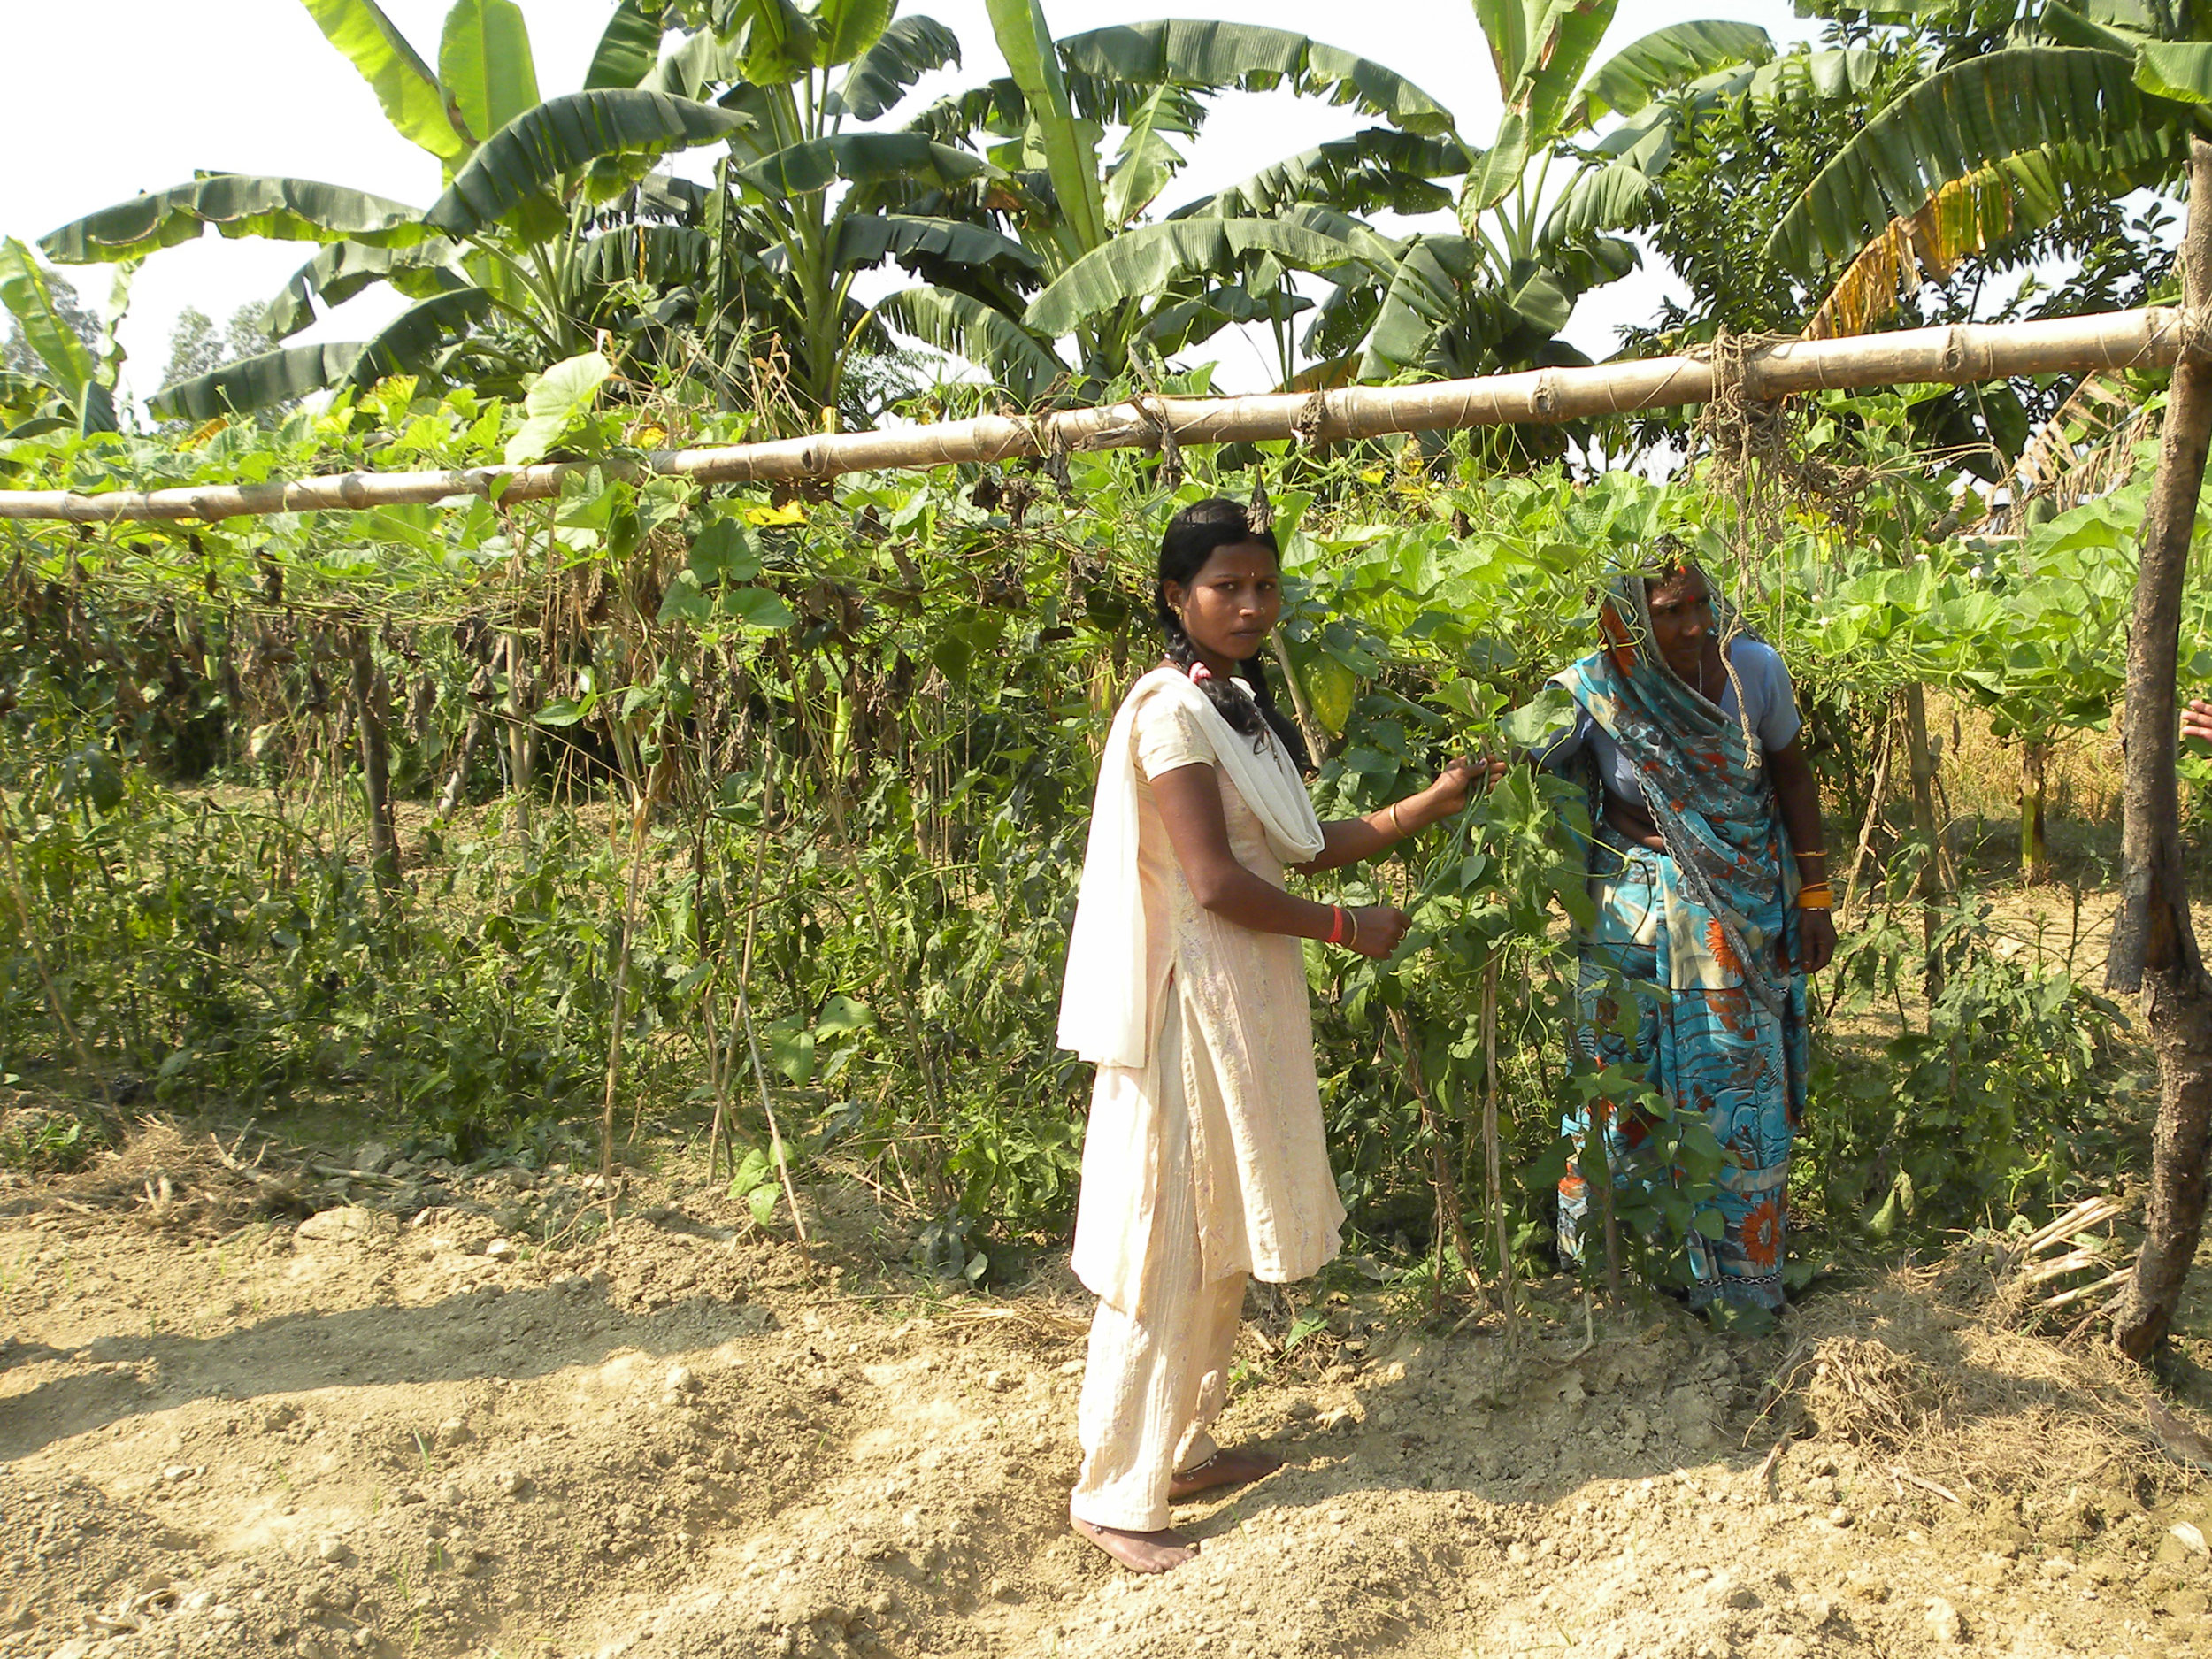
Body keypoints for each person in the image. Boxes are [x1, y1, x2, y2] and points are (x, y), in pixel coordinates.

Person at [1056, 496, 1500, 1574]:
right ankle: (1116, 1492)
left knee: (1215, 1235)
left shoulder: (1229, 706)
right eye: (1226, 587)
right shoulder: (1169, 714)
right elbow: (1213, 884)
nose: (1250, 605)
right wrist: (1350, 931)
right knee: (1168, 1239)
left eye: (1263, 586)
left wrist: (1428, 805)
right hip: (1188, 1004)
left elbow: (1293, 850)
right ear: (1176, 597)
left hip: (1239, 1001)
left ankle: (1185, 1446)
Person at [1535, 556, 1835, 1313]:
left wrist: (1816, 894)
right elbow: (1531, 766)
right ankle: (1625, 1269)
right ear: (1629, 617)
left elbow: (1792, 774)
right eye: (1669, 610)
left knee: (1738, 1077)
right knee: (1620, 1071)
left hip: (1739, 901)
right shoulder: (1599, 685)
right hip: (1633, 902)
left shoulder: (1752, 671)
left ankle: (1740, 1280)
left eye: (1700, 603)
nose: (1694, 624)